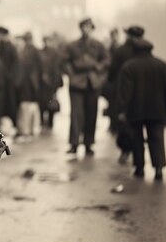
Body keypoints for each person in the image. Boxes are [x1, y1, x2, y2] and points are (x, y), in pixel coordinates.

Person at [117, 38, 166, 180]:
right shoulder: (161, 65)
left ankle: (140, 168)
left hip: (135, 110)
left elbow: (125, 92)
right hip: (157, 110)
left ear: (135, 51)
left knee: (136, 139)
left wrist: (122, 111)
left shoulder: (129, 67)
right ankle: (158, 169)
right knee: (157, 138)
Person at [64, 17, 109, 155]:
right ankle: (74, 143)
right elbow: (65, 62)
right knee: (76, 115)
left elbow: (107, 61)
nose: (86, 29)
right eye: (84, 26)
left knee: (91, 114)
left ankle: (89, 143)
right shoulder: (72, 45)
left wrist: (99, 73)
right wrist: (72, 75)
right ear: (80, 28)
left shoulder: (99, 45)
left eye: (88, 27)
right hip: (77, 83)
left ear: (92, 28)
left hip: (92, 83)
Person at [106, 25, 145, 163]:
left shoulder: (120, 51)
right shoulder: (144, 51)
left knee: (124, 123)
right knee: (139, 123)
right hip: (140, 92)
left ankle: (125, 150)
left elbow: (112, 72)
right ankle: (139, 155)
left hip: (122, 91)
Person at [15, 31, 42, 139]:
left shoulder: (30, 50)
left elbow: (36, 67)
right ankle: (29, 129)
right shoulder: (28, 50)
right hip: (29, 83)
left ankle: (29, 129)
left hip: (29, 83)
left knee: (27, 106)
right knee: (28, 106)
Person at [39, 35, 63, 129]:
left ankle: (50, 121)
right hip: (43, 82)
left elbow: (57, 69)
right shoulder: (41, 52)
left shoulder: (55, 53)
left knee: (51, 101)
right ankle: (42, 120)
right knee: (42, 102)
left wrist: (56, 82)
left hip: (52, 82)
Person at [0, 27, 19, 124]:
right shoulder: (2, 45)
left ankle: (12, 123)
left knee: (10, 102)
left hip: (8, 80)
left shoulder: (9, 46)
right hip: (4, 79)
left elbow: (15, 64)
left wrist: (10, 76)